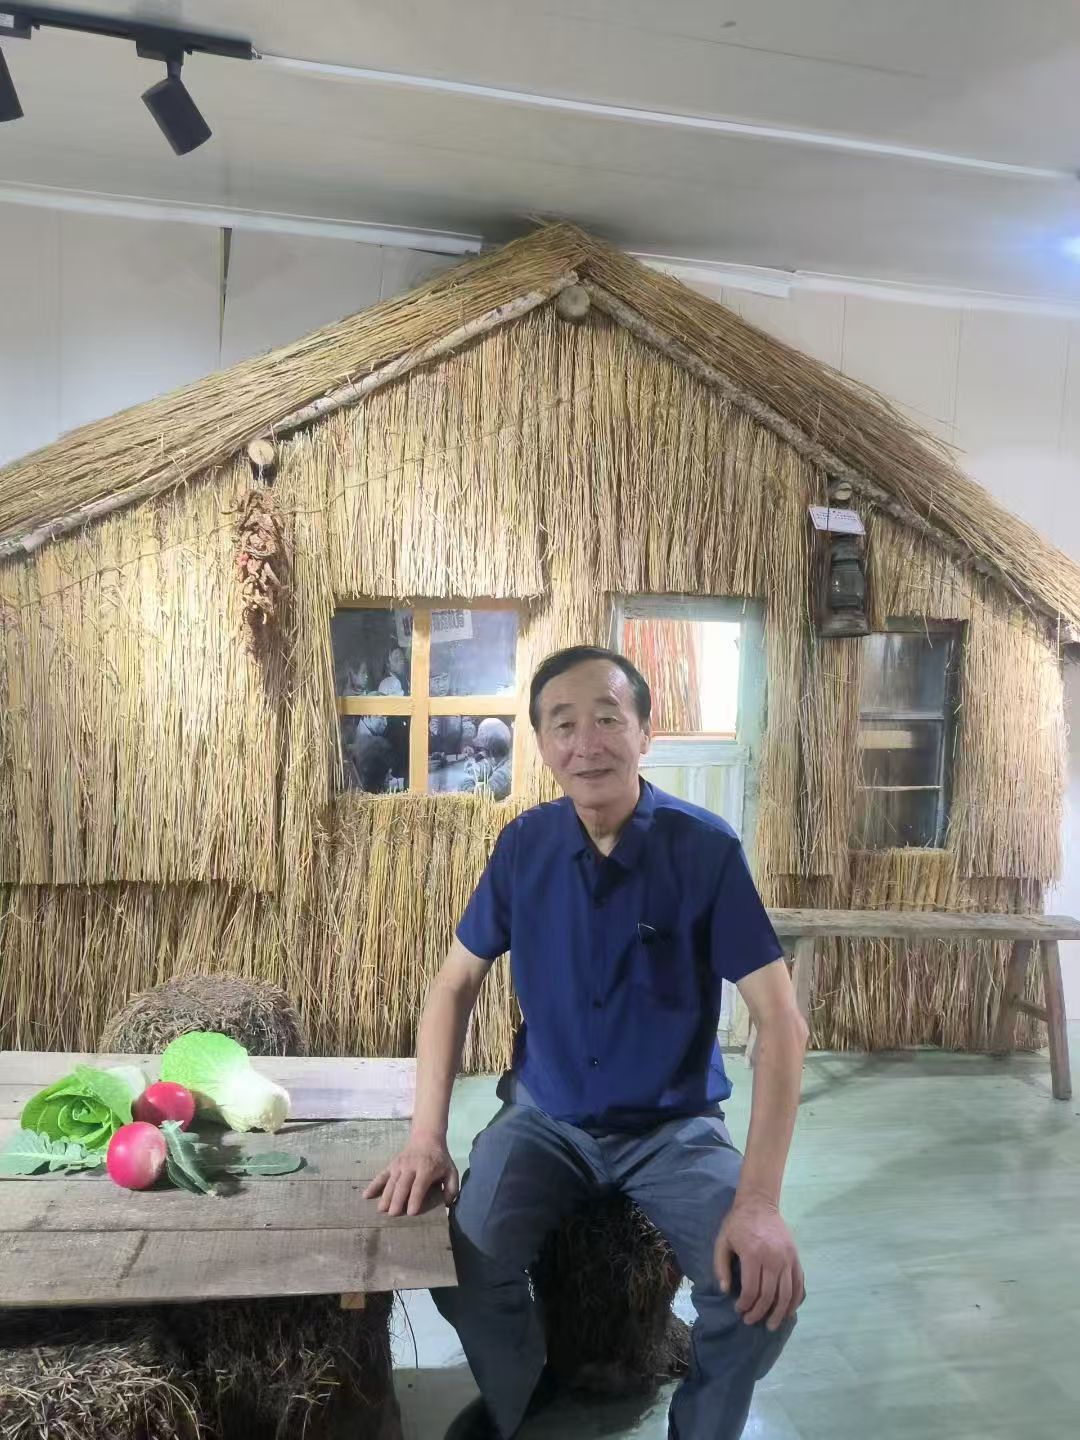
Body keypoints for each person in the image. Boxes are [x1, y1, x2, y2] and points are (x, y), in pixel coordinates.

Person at [365, 646, 807, 1440]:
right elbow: (453, 985)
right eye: (563, 725)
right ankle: (520, 1403)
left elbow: (781, 1022)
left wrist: (761, 1203)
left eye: (608, 718)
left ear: (645, 733)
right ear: (541, 744)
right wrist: (426, 1138)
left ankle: (701, 1428)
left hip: (674, 1126)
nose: (587, 743)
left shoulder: (705, 851)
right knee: (461, 1265)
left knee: (760, 1295)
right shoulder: (524, 848)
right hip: (546, 1117)